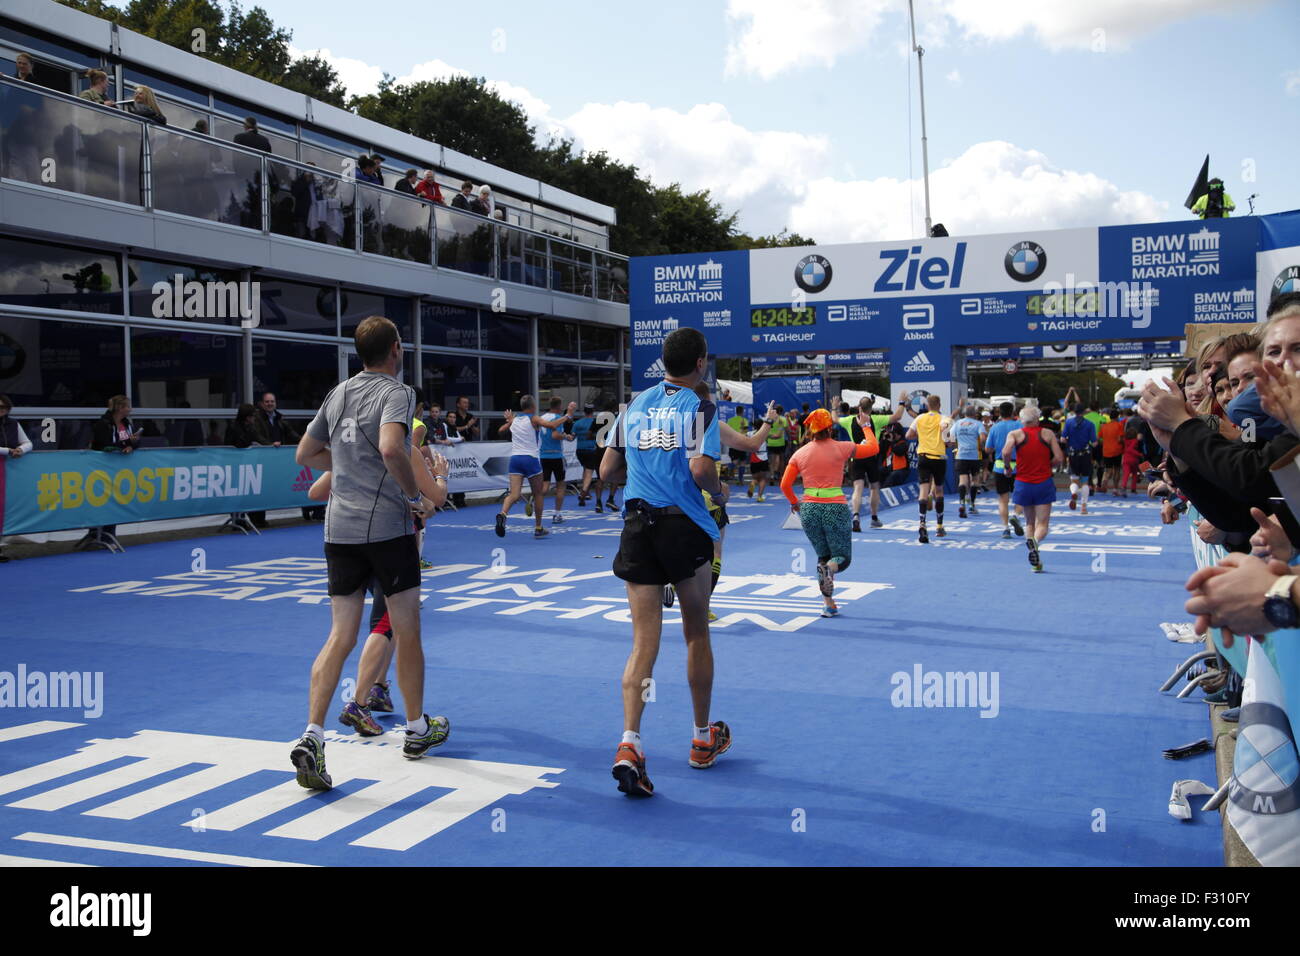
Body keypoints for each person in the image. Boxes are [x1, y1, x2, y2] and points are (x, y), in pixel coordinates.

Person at [289, 315, 447, 789]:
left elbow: (305, 455)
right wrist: (415, 497)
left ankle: (312, 735)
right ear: (396, 348)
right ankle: (417, 730)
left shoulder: (337, 394)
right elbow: (392, 448)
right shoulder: (398, 393)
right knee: (406, 629)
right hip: (387, 529)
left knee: (341, 635)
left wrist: (348, 464)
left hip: (338, 530)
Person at [599, 327, 729, 798]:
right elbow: (700, 469)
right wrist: (718, 490)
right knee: (696, 631)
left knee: (642, 642)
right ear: (701, 362)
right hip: (682, 528)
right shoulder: (701, 405)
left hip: (637, 527)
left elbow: (606, 471)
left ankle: (630, 742)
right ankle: (700, 739)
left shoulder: (632, 406)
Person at [781, 408, 879, 617]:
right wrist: (866, 427)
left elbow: (785, 484)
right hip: (834, 505)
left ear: (810, 430)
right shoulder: (842, 447)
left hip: (809, 507)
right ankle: (830, 572)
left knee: (822, 555)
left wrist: (794, 502)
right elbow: (873, 448)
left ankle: (828, 604)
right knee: (841, 557)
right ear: (830, 427)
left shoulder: (800, 453)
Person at [497, 395, 570, 539]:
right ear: (533, 406)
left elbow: (500, 431)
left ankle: (502, 514)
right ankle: (538, 528)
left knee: (514, 494)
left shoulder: (515, 419)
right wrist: (567, 416)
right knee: (538, 494)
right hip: (530, 459)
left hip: (515, 459)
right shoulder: (533, 418)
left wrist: (510, 422)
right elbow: (552, 426)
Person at [1002, 405, 1063, 573]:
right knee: (1042, 523)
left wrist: (1008, 467)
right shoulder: (1047, 434)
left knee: (1029, 522)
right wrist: (1048, 465)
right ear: (1037, 419)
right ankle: (1035, 544)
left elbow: (1006, 451)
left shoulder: (1015, 434)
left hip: (1023, 482)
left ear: (1021, 420)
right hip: (1043, 482)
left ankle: (1035, 561)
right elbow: (1059, 457)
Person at [79, 395, 141, 551]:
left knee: (114, 500)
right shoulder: (102, 424)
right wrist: (125, 444)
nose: (130, 409)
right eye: (127, 406)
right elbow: (106, 444)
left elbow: (136, 441)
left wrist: (132, 445)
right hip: (101, 469)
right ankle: (95, 533)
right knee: (99, 499)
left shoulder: (127, 423)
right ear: (120, 408)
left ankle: (108, 533)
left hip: (119, 470)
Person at [906, 394, 952, 543]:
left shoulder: (920, 418)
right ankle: (939, 526)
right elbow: (948, 440)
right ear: (939, 404)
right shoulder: (945, 418)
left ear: (927, 406)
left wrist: (922, 436)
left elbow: (908, 435)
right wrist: (947, 442)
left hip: (923, 456)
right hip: (938, 457)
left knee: (923, 491)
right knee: (939, 490)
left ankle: (922, 523)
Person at [839, 397, 884, 530]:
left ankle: (856, 516)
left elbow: (834, 418)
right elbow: (897, 416)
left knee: (858, 488)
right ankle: (874, 518)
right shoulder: (876, 419)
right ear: (870, 408)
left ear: (859, 406)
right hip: (871, 456)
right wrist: (902, 403)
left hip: (857, 455)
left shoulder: (849, 420)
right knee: (874, 487)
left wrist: (835, 407)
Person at [0, 394, 32, 563]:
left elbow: (27, 442)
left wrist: (21, 450)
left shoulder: (13, 423)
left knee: (2, 508)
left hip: (6, 469)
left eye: (3, 408)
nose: (1, 411)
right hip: (4, 462)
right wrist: (8, 451)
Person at [985, 401, 1024, 538]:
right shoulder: (1020, 426)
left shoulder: (995, 428)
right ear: (1013, 412)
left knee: (1003, 499)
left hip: (1000, 466)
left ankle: (1005, 528)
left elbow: (988, 449)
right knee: (1021, 497)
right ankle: (1016, 515)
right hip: (1019, 466)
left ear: (999, 413)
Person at [538, 396, 578, 523]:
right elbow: (555, 435)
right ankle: (557, 514)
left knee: (545, 485)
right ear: (559, 406)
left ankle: (535, 498)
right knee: (561, 485)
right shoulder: (557, 419)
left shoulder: (542, 417)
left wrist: (564, 435)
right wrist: (566, 437)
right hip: (556, 455)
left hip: (543, 455)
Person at [1060, 402, 1097, 514]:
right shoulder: (1090, 424)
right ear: (1084, 412)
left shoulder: (1069, 422)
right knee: (1085, 481)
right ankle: (1084, 506)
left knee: (1074, 479)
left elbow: (1062, 439)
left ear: (1074, 411)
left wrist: (1069, 442)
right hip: (1085, 454)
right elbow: (1094, 443)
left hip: (1072, 454)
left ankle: (1074, 492)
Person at [950, 405, 985, 519]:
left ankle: (961, 503)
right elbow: (983, 437)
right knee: (975, 480)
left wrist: (957, 444)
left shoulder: (957, 423)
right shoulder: (978, 424)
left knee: (963, 480)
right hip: (974, 455)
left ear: (964, 414)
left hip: (961, 455)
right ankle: (972, 505)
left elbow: (950, 436)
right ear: (974, 414)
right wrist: (979, 445)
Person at [573, 404, 607, 511]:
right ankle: (583, 494)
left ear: (584, 411)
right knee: (589, 473)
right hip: (592, 450)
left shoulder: (577, 423)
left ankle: (586, 492)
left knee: (586, 469)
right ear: (593, 411)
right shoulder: (596, 422)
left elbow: (572, 436)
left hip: (579, 451)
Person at [1098, 410, 1126, 496]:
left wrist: (1104, 443)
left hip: (1106, 451)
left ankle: (1103, 485)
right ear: (1117, 417)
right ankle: (1115, 489)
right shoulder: (1119, 425)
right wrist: (1123, 442)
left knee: (1107, 470)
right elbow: (1120, 439)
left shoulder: (1104, 426)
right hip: (1117, 451)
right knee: (1117, 470)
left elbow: (1098, 438)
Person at [765, 404, 788, 484]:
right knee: (781, 460)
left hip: (770, 443)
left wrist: (770, 436)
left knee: (772, 461)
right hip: (780, 443)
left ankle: (772, 476)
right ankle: (781, 477)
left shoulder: (770, 419)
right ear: (781, 411)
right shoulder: (783, 419)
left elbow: (766, 430)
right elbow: (783, 432)